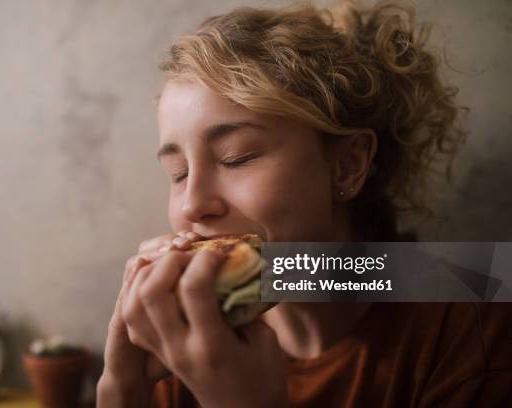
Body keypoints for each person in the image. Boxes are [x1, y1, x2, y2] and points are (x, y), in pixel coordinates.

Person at [97, 1, 512, 406]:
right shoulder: (183, 334)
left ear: (348, 165)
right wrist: (122, 391)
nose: (192, 205)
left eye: (236, 158)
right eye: (179, 173)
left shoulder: (473, 328)